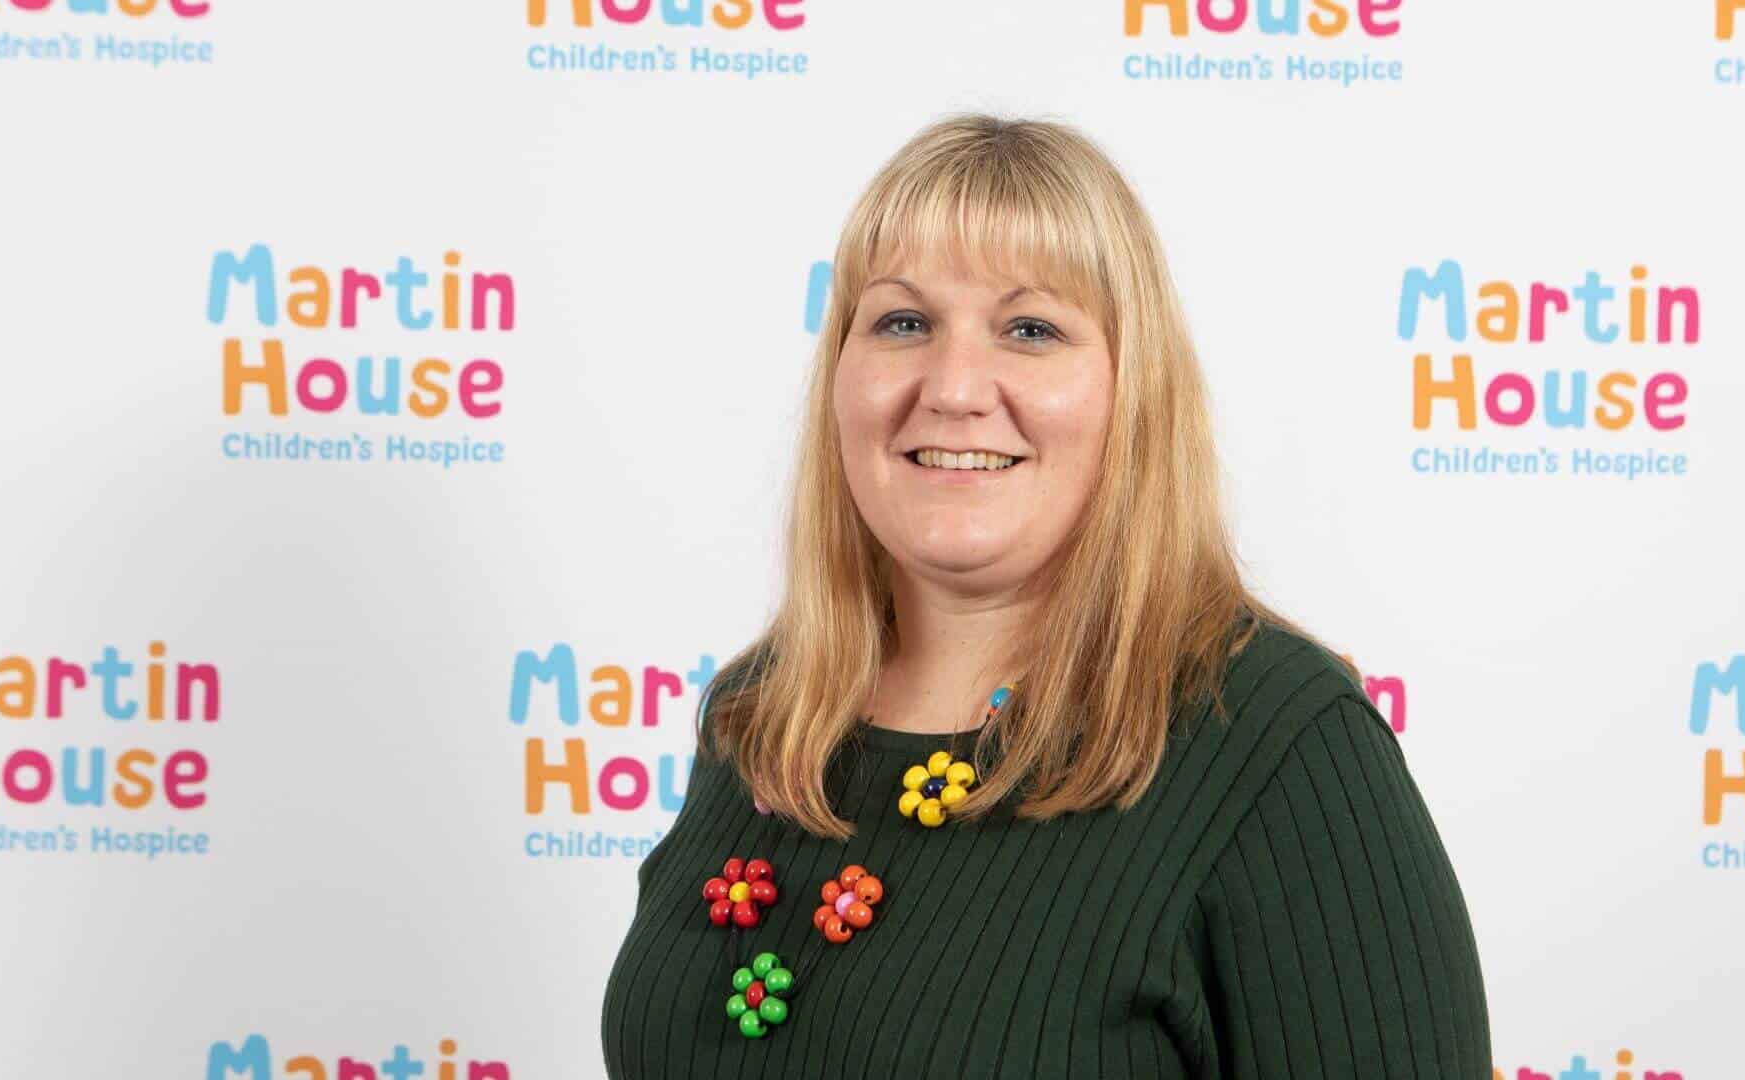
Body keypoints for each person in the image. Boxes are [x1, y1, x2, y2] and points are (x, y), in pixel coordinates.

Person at [600, 112, 1491, 1078]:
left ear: (1131, 391)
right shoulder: (764, 711)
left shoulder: (1275, 736)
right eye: (903, 322)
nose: (954, 387)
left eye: (1031, 329)